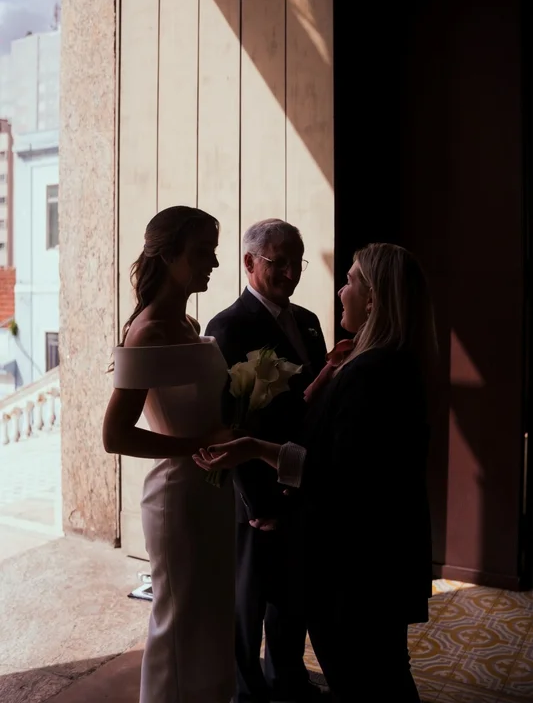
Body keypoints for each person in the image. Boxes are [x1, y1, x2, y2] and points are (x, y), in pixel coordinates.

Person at [195, 242, 437, 703]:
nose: (340, 291)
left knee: (364, 676)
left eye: (349, 281)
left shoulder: (371, 372)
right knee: (383, 669)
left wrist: (254, 448)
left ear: (374, 300)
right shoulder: (387, 361)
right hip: (377, 552)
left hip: (355, 560)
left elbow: (337, 473)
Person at [102, 206, 236, 703]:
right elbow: (115, 436)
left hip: (213, 491)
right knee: (180, 623)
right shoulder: (149, 332)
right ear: (170, 254)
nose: (214, 264)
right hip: (177, 498)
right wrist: (197, 447)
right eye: (203, 252)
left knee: (213, 616)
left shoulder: (188, 321)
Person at [205, 219, 328, 703]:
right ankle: (246, 690)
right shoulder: (228, 326)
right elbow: (228, 422)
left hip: (301, 477)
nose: (292, 272)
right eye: (280, 262)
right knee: (248, 603)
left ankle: (287, 679)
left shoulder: (309, 319)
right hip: (253, 491)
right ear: (250, 263)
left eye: (297, 260)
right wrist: (254, 500)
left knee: (291, 596)